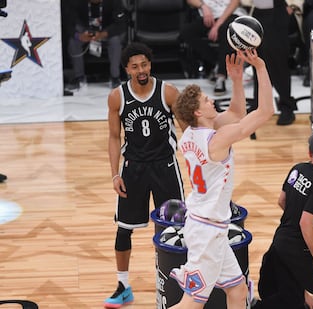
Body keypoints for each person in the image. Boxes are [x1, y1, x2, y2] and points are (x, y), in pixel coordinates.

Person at [169, 49, 274, 309]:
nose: (212, 101)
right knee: (190, 303)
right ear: (197, 112)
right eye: (206, 100)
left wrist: (236, 80)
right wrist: (260, 67)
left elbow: (236, 114)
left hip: (208, 226)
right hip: (207, 232)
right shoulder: (218, 139)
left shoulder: (190, 136)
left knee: (237, 291)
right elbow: (265, 112)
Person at [104, 42, 186, 308]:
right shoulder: (117, 96)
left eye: (145, 64)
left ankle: (182, 282)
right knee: (124, 230)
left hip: (165, 167)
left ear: (150, 65)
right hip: (134, 169)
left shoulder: (168, 92)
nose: (141, 70)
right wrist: (115, 175)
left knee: (178, 228)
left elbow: (188, 130)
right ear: (127, 69)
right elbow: (114, 137)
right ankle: (123, 285)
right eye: (135, 66)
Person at [252, 132, 313, 309]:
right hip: (294, 251)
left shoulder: (297, 169)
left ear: (309, 153)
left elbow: (281, 201)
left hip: (280, 244)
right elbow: (305, 224)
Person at [253, 186, 313, 309]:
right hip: (275, 285)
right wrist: (303, 294)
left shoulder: (307, 220)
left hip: (287, 274)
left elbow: (310, 252)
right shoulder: (303, 227)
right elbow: (295, 263)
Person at [180, 0, 247, 95]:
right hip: (209, 16)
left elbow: (235, 2)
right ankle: (218, 63)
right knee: (186, 33)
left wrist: (217, 25)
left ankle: (221, 76)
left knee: (225, 30)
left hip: (231, 15)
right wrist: (203, 6)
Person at [64, 0, 128, 91]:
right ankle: (79, 77)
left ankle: (115, 77)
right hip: (85, 31)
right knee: (73, 41)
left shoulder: (114, 1)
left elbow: (121, 25)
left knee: (115, 41)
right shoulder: (76, 2)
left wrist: (104, 34)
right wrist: (79, 36)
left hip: (106, 31)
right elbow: (69, 23)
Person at [251, 0, 297, 125]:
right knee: (257, 60)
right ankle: (259, 105)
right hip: (255, 12)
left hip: (278, 11)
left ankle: (286, 106)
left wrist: (293, 5)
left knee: (279, 62)